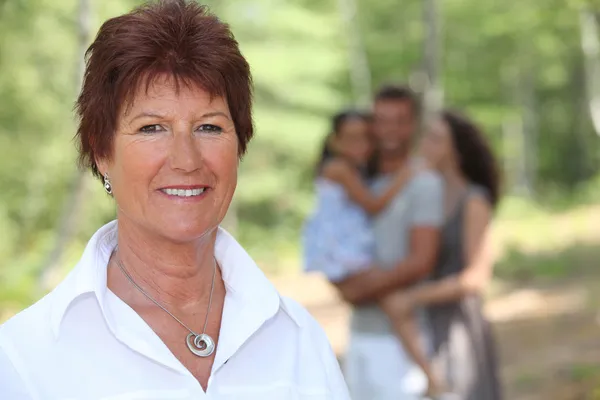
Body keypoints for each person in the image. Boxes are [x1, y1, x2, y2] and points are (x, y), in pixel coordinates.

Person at [0, 1, 350, 399]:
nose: (186, 160)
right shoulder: (22, 359)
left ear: (239, 145)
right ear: (101, 152)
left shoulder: (298, 337)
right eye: (152, 128)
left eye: (208, 127)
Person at [302, 109, 447, 398]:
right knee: (393, 302)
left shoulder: (353, 170)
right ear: (335, 141)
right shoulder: (339, 169)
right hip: (341, 251)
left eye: (366, 140)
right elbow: (373, 204)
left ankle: (430, 376)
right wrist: (404, 177)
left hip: (345, 249)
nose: (361, 147)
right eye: (352, 139)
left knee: (392, 303)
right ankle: (432, 377)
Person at [396, 110, 503, 399]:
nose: (424, 145)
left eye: (435, 139)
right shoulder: (424, 195)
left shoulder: (473, 199)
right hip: (423, 326)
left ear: (456, 150)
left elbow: (477, 277)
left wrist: (414, 297)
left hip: (458, 328)